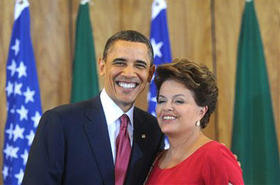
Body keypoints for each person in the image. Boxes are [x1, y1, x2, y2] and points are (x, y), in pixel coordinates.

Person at [22, 30, 164, 185]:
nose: (129, 73)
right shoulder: (60, 123)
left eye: (139, 65)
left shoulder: (154, 129)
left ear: (150, 74)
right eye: (120, 63)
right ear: (102, 66)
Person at [145, 58, 244, 185]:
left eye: (179, 101)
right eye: (162, 100)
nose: (166, 107)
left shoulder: (215, 156)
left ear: (201, 111)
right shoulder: (156, 159)